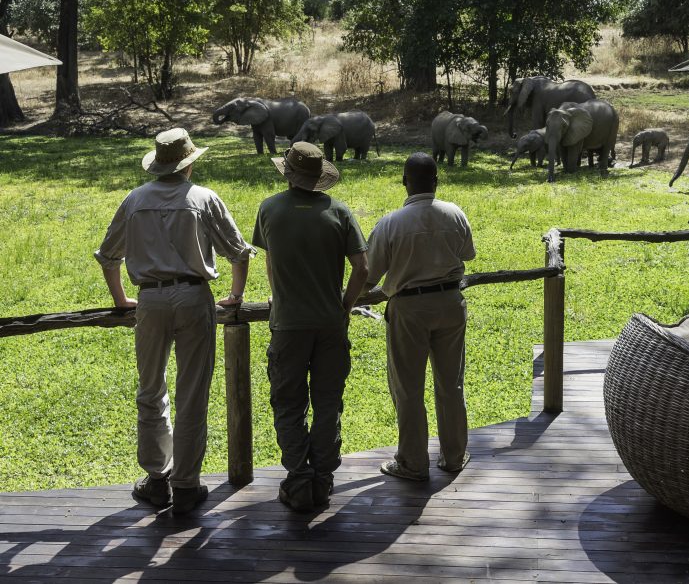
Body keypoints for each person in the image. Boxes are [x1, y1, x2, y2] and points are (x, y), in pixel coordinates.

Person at [95, 128, 253, 515]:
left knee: (151, 390)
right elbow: (238, 252)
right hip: (194, 296)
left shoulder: (134, 200)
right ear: (189, 162)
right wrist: (235, 294)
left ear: (158, 164)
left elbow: (108, 256)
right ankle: (186, 484)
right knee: (193, 391)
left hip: (149, 299)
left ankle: (156, 479)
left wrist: (120, 299)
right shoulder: (203, 198)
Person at [252, 142, 369, 511]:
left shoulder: (269, 209)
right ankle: (323, 477)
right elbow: (362, 269)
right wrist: (346, 305)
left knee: (288, 403)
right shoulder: (339, 212)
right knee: (327, 402)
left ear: (287, 173)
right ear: (320, 177)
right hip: (330, 325)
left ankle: (299, 479)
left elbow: (271, 262)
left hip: (288, 325)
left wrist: (280, 296)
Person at [364, 152, 476, 481]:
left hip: (409, 308)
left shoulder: (391, 223)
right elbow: (467, 253)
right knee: (451, 383)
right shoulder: (455, 214)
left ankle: (413, 462)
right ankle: (454, 456)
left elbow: (370, 275)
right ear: (437, 181)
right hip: (451, 303)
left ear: (404, 181)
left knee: (408, 387)